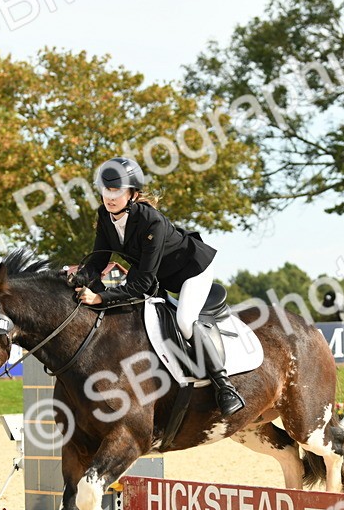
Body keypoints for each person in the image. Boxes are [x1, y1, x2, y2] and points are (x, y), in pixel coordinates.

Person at [73, 156, 245, 416]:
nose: (110, 197)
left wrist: (100, 298)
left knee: (185, 321)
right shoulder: (105, 216)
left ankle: (225, 386)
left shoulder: (151, 221)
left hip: (191, 271)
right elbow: (98, 261)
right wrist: (78, 279)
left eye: (117, 190)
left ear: (133, 194)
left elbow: (143, 282)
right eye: (106, 190)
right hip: (156, 274)